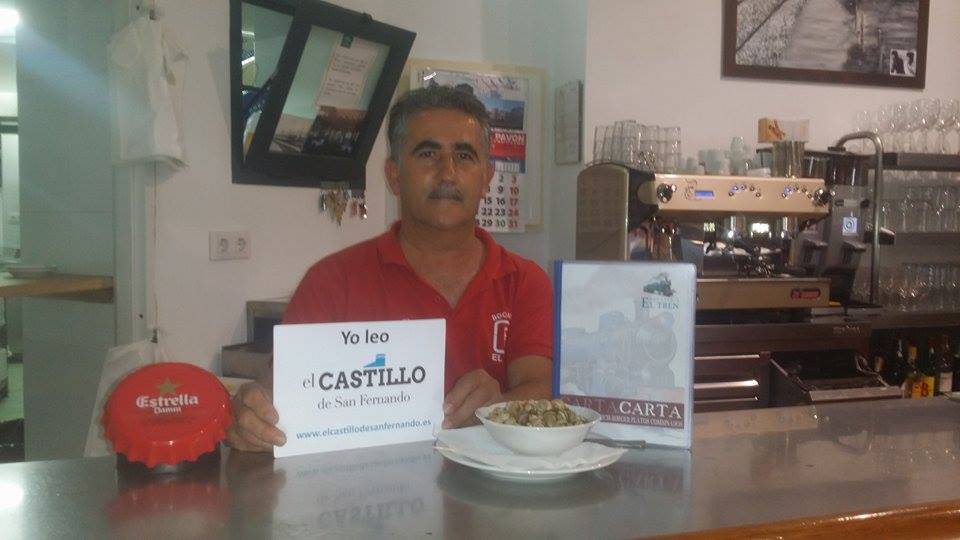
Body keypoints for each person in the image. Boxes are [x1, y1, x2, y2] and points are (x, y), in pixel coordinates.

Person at [227, 86, 553, 452]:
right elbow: (276, 397)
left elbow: (539, 386)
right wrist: (252, 417)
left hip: (493, 483)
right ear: (394, 175)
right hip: (367, 482)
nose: (448, 173)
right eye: (428, 154)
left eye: (464, 156)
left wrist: (498, 406)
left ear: (486, 177)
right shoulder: (331, 282)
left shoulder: (525, 281)